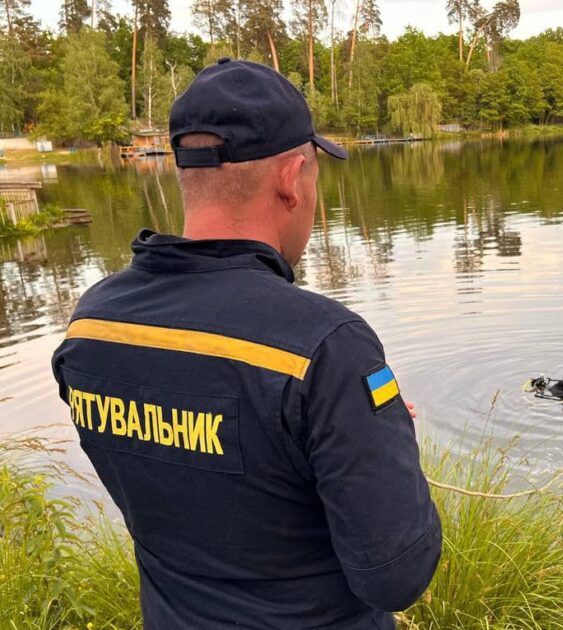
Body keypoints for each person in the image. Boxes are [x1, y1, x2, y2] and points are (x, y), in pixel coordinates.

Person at [50, 58, 442, 629]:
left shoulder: (93, 327)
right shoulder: (326, 348)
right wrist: (387, 445)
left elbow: (196, 470)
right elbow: (397, 574)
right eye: (314, 176)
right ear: (291, 177)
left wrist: (348, 439)